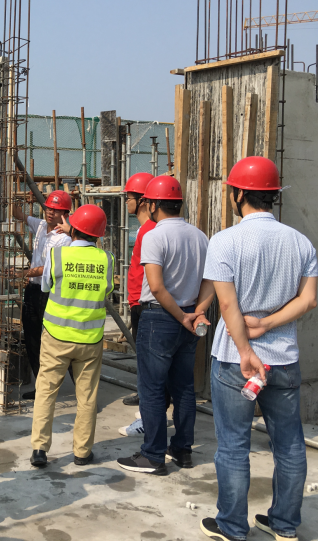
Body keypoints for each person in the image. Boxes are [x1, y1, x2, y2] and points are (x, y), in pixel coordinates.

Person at [188, 157, 317, 541]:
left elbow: (227, 304)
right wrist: (268, 323)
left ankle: (232, 526)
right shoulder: (301, 242)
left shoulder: (225, 240)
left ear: (239, 194)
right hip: (284, 360)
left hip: (235, 361)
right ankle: (284, 525)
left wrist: (245, 349)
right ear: (273, 195)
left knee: (233, 446)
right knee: (289, 445)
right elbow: (309, 299)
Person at [117, 176, 207, 476]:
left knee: (152, 389)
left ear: (154, 204)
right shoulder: (200, 237)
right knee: (183, 388)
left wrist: (180, 316)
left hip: (161, 318)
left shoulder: (155, 236)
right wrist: (195, 313)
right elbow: (209, 281)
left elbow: (155, 287)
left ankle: (153, 455)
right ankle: (182, 449)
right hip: (190, 318)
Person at [29, 204, 114, 469]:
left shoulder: (57, 255)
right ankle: (82, 452)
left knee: (46, 391)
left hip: (56, 336)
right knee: (86, 397)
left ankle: (40, 449)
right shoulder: (106, 259)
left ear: (73, 229)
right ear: (99, 235)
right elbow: (107, 290)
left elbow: (45, 286)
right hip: (90, 339)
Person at [118, 173, 172, 437]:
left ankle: (147, 420)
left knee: (151, 369)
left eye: (129, 196)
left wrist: (139, 303)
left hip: (147, 304)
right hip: (141, 303)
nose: (126, 201)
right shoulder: (145, 229)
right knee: (149, 366)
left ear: (142, 200)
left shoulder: (150, 230)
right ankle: (149, 410)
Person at [11, 190, 73, 400]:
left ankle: (78, 387)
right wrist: (12, 193)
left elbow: (49, 268)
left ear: (65, 214)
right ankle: (42, 387)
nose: (50, 212)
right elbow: (19, 215)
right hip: (33, 290)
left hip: (50, 293)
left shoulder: (64, 239)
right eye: (48, 208)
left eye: (56, 210)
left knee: (56, 341)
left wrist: (23, 273)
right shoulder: (39, 225)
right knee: (32, 339)